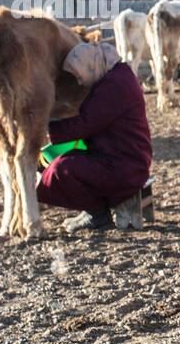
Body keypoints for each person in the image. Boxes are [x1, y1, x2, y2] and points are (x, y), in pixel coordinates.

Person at [38, 40, 153, 233]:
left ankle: (97, 214)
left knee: (61, 170)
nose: (80, 81)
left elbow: (86, 123)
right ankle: (91, 208)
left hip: (124, 167)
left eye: (79, 74)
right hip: (125, 158)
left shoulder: (113, 86)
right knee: (56, 158)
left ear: (89, 65)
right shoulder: (118, 75)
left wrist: (47, 128)